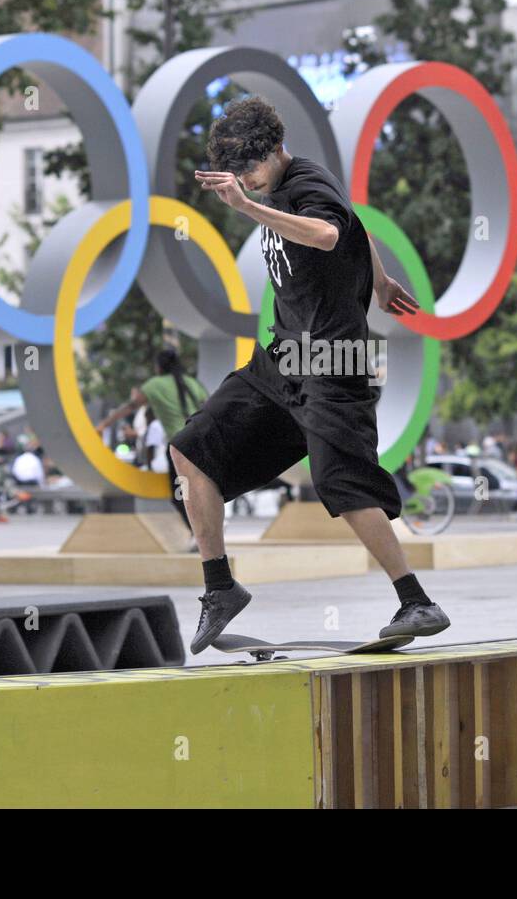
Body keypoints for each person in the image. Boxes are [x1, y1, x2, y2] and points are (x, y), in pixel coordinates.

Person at [170, 95, 448, 653]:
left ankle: (416, 600)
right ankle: (220, 588)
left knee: (340, 483)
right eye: (239, 174)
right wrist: (381, 278)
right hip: (281, 361)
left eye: (252, 169)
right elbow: (356, 228)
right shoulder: (286, 188)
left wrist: (247, 207)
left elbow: (325, 233)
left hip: (333, 362)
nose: (247, 181)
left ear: (276, 151)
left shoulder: (304, 183)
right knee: (191, 450)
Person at [97, 348, 208, 529]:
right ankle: (208, 529)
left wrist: (104, 424)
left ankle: (198, 532)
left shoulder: (154, 385)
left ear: (158, 367)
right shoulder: (191, 383)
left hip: (180, 446)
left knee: (179, 494)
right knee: (196, 491)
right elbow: (208, 407)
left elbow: (130, 406)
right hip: (201, 443)